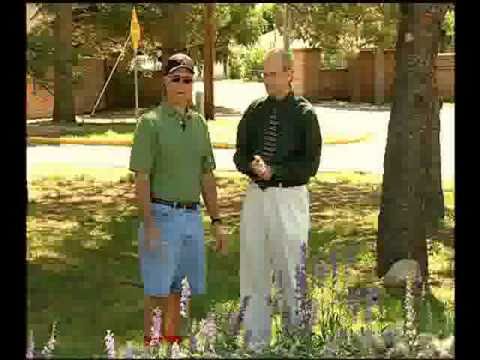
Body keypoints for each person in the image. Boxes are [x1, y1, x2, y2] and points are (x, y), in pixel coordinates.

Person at [129, 53, 227, 347]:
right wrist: (149, 224)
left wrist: (217, 222)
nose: (183, 85)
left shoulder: (199, 124)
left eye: (188, 79)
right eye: (176, 79)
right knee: (158, 292)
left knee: (181, 292)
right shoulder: (150, 123)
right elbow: (142, 179)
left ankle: (174, 348)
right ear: (165, 82)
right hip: (162, 215)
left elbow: (207, 176)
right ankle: (152, 349)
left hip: (192, 218)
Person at [233, 48, 322, 349]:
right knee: (254, 267)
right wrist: (252, 166)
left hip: (289, 198)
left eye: (273, 74)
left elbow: (310, 165)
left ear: (289, 73)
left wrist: (276, 171)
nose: (268, 80)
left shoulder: (304, 114)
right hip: (256, 198)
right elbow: (239, 152)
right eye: (265, 75)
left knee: (291, 270)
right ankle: (255, 342)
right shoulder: (255, 110)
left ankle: (296, 342)